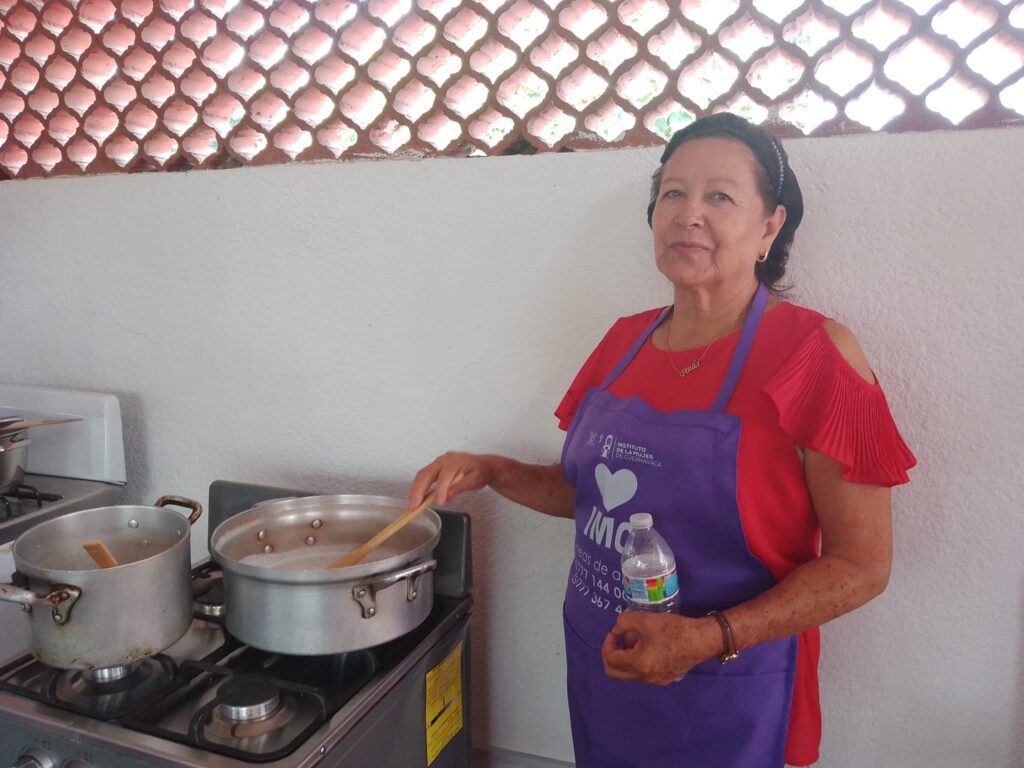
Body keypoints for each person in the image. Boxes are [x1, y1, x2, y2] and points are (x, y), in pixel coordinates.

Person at [408, 113, 916, 768]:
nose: (687, 215)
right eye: (672, 193)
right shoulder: (623, 343)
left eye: (720, 197)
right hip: (605, 661)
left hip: (725, 684)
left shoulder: (814, 354)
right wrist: (491, 470)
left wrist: (708, 638)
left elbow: (861, 566)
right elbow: (591, 494)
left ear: (770, 226)